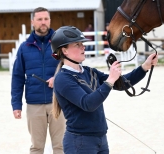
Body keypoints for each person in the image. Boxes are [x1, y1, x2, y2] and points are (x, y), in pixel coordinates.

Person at [50, 26, 158, 154]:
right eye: (77, 44)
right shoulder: (62, 78)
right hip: (80, 142)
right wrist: (110, 80)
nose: (83, 47)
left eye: (82, 44)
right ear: (65, 51)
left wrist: (144, 67)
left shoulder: (89, 71)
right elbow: (88, 104)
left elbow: (121, 84)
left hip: (100, 138)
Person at [11, 7, 65, 154]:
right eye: (40, 19)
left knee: (60, 146)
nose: (43, 22)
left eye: (46, 19)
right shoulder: (24, 48)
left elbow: (73, 68)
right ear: (32, 22)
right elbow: (17, 77)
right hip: (34, 105)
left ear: (50, 21)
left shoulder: (61, 44)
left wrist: (58, 78)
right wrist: (16, 104)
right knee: (36, 147)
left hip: (58, 102)